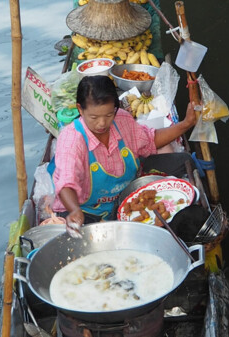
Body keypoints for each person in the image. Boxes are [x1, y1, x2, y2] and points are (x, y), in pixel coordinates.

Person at [51, 75, 197, 230]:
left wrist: (185, 124)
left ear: (115, 107)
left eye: (108, 115)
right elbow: (66, 184)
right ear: (80, 109)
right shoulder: (71, 139)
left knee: (184, 161)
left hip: (127, 193)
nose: (102, 123)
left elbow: (150, 140)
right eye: (94, 117)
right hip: (88, 209)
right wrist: (74, 210)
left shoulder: (122, 119)